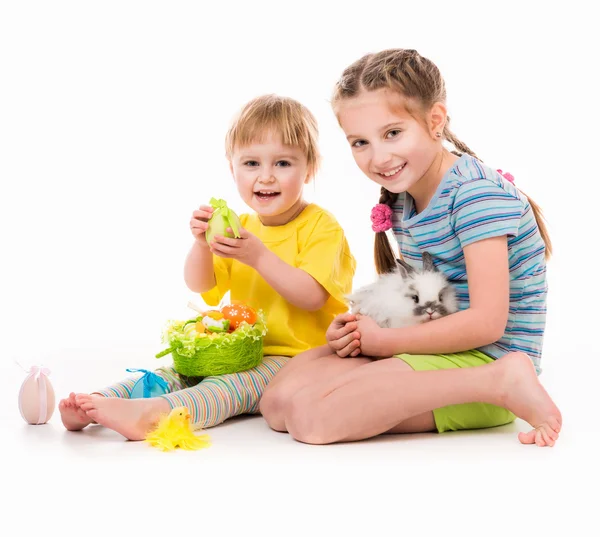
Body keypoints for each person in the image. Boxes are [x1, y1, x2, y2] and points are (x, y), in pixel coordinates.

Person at [260, 49, 562, 447]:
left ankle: (499, 384)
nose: (378, 157)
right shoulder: (405, 197)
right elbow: (418, 295)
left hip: (485, 357)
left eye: (392, 134)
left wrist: (384, 344)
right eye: (360, 142)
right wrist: (359, 331)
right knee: (278, 401)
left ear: (435, 121)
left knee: (310, 418)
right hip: (434, 344)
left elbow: (488, 323)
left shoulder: (474, 195)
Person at [58, 94, 356, 440]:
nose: (266, 177)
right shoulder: (239, 224)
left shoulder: (321, 226)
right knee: (177, 370)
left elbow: (311, 296)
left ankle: (152, 417)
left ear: (310, 169)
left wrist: (259, 257)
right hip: (232, 349)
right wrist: (201, 245)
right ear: (232, 168)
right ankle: (102, 399)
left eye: (283, 163)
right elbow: (201, 285)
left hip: (294, 358)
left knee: (227, 387)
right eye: (251, 164)